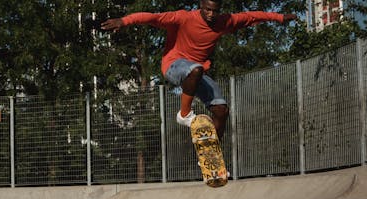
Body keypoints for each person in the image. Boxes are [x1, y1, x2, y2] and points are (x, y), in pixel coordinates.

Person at [101, 0, 297, 140]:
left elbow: (252, 16)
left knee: (221, 110)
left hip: (197, 72)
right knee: (195, 69)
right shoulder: (183, 17)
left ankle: (213, 155)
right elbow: (152, 17)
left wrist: (279, 17)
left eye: (215, 11)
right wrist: (124, 21)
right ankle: (184, 114)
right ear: (200, 6)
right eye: (207, 10)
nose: (211, 15)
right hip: (173, 65)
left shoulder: (224, 21)